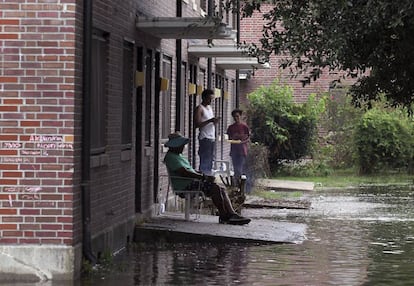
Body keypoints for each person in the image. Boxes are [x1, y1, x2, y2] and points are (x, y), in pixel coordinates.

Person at [164, 132, 251, 225]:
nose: (183, 147)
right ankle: (224, 215)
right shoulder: (171, 157)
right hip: (185, 185)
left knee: (221, 188)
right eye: (181, 145)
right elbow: (184, 172)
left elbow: (190, 170)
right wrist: (203, 177)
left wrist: (199, 173)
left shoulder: (179, 156)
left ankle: (232, 214)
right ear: (175, 145)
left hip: (192, 182)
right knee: (215, 188)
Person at [194, 89, 220, 175]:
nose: (210, 101)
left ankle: (208, 178)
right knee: (205, 160)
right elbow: (197, 124)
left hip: (211, 137)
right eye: (209, 99)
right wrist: (210, 121)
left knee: (210, 160)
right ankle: (203, 178)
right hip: (205, 138)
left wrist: (214, 121)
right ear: (204, 97)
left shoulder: (209, 108)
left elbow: (210, 122)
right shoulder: (199, 108)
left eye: (211, 99)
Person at [227, 109, 250, 180]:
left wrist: (242, 142)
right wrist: (233, 139)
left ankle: (239, 184)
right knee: (235, 168)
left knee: (239, 168)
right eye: (234, 117)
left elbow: (248, 138)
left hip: (242, 151)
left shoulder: (244, 127)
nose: (236, 118)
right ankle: (237, 184)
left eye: (237, 116)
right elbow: (228, 138)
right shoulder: (231, 127)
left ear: (240, 116)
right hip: (234, 151)